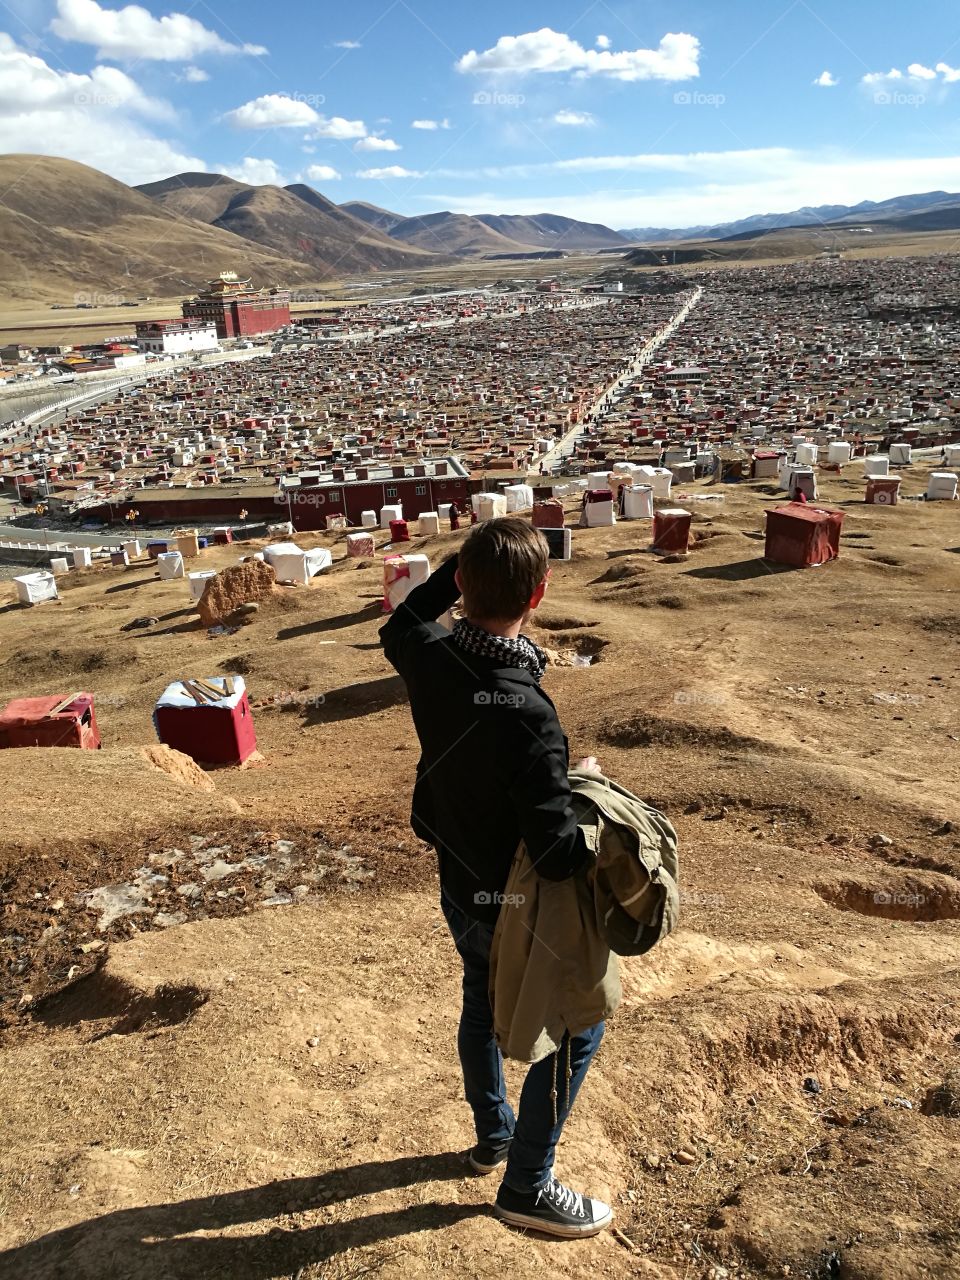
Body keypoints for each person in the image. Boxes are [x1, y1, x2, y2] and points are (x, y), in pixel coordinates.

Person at [380, 518, 613, 1239]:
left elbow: (405, 618)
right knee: (577, 1023)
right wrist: (591, 807)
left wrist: (469, 565)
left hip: (460, 877)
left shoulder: (429, 654)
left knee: (481, 999)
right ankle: (527, 1186)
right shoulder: (530, 714)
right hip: (518, 900)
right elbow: (556, 854)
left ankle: (495, 1134)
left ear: (463, 586)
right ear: (540, 593)